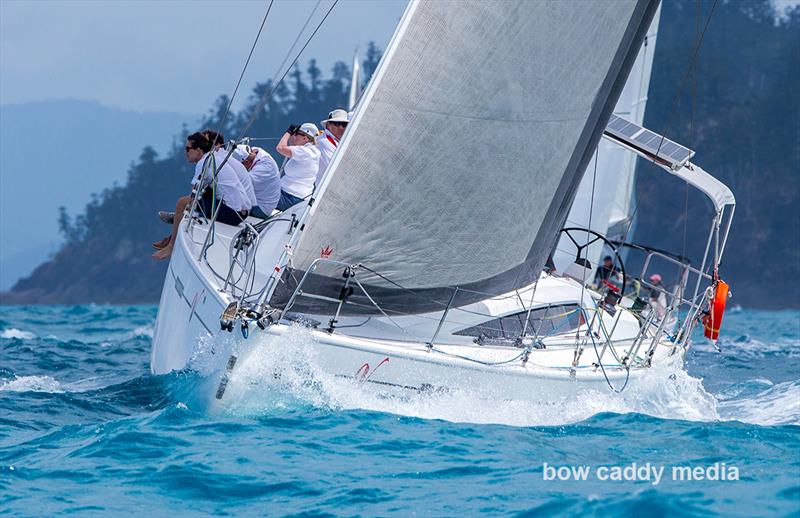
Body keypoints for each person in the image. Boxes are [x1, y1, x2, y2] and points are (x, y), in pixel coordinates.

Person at [153, 132, 250, 260]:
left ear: (198, 150)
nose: (185, 152)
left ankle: (171, 245)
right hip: (242, 211)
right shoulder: (212, 158)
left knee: (182, 203)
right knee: (196, 199)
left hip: (234, 214)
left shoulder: (203, 162)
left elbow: (192, 197)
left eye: (188, 149)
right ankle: (172, 234)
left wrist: (182, 210)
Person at [203, 130, 258, 212]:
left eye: (206, 143)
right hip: (247, 205)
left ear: (217, 145)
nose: (202, 146)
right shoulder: (224, 157)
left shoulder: (216, 159)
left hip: (242, 208)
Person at [275, 123, 320, 211]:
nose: (294, 136)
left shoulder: (305, 152)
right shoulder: (309, 151)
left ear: (305, 138)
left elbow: (280, 148)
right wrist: (293, 134)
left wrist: (288, 132)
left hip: (290, 198)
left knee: (256, 194)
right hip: (291, 196)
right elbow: (292, 146)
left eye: (297, 134)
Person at [234, 144, 281, 219]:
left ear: (246, 162)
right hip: (258, 198)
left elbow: (242, 184)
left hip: (261, 208)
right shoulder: (254, 152)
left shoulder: (264, 167)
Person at [316, 108, 349, 185]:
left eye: (344, 124)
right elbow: (334, 166)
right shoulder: (323, 141)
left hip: (336, 187)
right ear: (328, 125)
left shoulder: (338, 140)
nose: (341, 127)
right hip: (327, 190)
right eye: (337, 123)